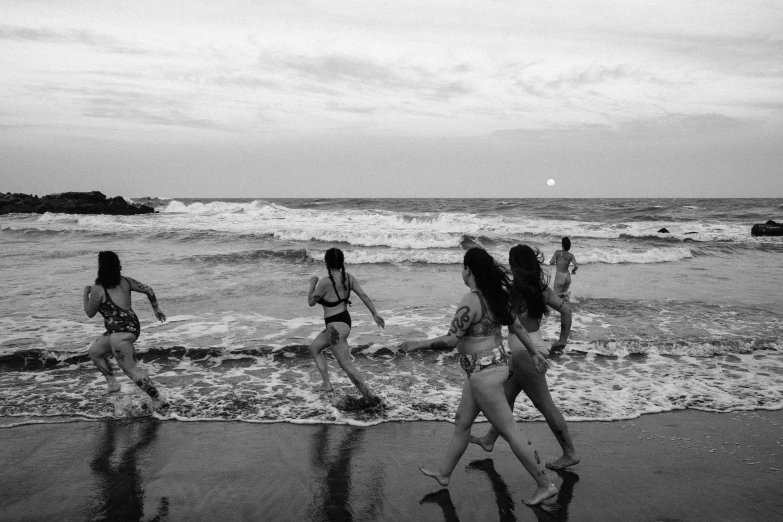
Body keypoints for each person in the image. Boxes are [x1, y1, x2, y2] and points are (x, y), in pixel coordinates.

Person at [401, 248, 557, 506]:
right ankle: (444, 474)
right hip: (487, 368)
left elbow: (451, 340)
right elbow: (516, 325)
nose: (462, 273)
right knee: (462, 421)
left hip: (484, 375)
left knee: (511, 431)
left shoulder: (471, 299)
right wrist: (535, 353)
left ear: (469, 270)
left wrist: (418, 344)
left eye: (463, 268)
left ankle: (545, 485)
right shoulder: (497, 295)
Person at [471, 244, 580, 469]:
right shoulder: (540, 289)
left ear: (516, 265)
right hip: (533, 347)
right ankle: (490, 439)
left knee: (545, 405)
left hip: (524, 353)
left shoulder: (512, 291)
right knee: (506, 396)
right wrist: (562, 340)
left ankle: (570, 452)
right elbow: (567, 310)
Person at [83, 251, 168, 409]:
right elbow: (148, 289)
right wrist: (156, 308)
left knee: (132, 371)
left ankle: (158, 399)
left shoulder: (97, 289)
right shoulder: (126, 281)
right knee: (95, 352)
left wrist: (85, 294)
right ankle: (112, 383)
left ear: (101, 267)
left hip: (119, 334)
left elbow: (89, 312)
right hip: (132, 327)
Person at [307, 248, 385, 402]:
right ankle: (326, 384)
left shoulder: (325, 282)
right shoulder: (348, 278)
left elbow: (311, 302)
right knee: (314, 348)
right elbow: (363, 295)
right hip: (343, 321)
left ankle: (369, 396)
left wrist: (312, 284)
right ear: (342, 262)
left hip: (335, 327)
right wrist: (375, 313)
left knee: (345, 364)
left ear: (327, 262)